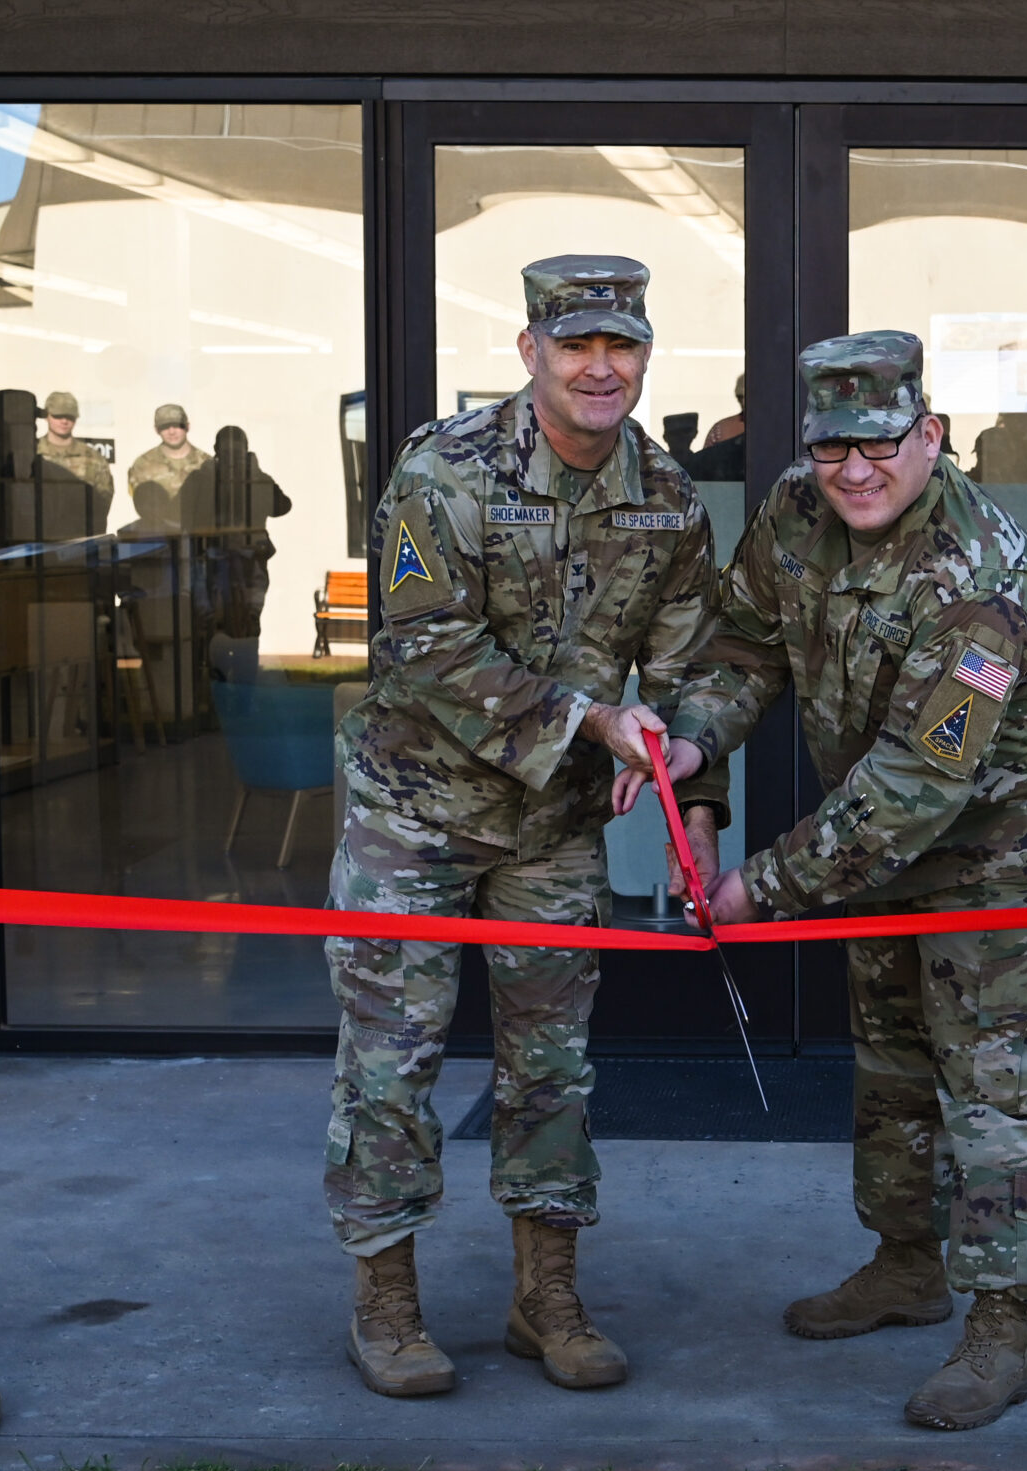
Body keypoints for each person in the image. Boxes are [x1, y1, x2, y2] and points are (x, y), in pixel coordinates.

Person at [655, 330, 1027, 1432]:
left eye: (879, 446)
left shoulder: (983, 579)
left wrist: (758, 889)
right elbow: (742, 646)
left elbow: (920, 784)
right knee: (897, 1060)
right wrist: (691, 755)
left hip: (1008, 854)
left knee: (1005, 1086)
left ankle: (1003, 1328)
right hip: (878, 847)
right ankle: (906, 1261)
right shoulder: (795, 515)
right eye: (831, 449)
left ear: (930, 435)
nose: (854, 472)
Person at [329, 254, 723, 1400]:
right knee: (389, 1067)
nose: (601, 367)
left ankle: (544, 1294)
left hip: (550, 831)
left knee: (551, 1067)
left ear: (645, 355)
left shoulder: (667, 492)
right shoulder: (441, 469)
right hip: (416, 814)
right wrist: (596, 720)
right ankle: (386, 1303)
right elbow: (421, 645)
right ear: (529, 353)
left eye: (623, 345)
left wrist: (685, 771)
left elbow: (691, 661)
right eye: (576, 345)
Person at [177, 424, 289, 683]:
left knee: (248, 629)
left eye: (237, 454)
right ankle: (207, 691)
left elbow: (282, 506)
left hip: (250, 568)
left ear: (246, 453)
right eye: (227, 454)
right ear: (215, 452)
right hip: (210, 566)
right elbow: (183, 514)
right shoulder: (200, 479)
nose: (232, 460)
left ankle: (244, 694)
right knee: (207, 628)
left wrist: (256, 477)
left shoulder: (256, 480)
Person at [37, 389, 115, 528]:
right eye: (58, 416)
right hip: (37, 534)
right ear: (46, 416)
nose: (64, 421)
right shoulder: (32, 452)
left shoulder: (93, 459)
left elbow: (103, 500)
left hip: (79, 535)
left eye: (69, 416)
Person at [125, 403, 208, 530]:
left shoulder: (206, 463)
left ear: (187, 427)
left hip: (199, 535)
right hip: (158, 535)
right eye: (165, 427)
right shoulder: (143, 464)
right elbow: (141, 504)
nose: (171, 431)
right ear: (156, 430)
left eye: (177, 425)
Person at [683, 373, 746, 481]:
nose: (744, 402)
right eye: (740, 397)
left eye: (749, 395)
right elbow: (706, 468)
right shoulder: (721, 429)